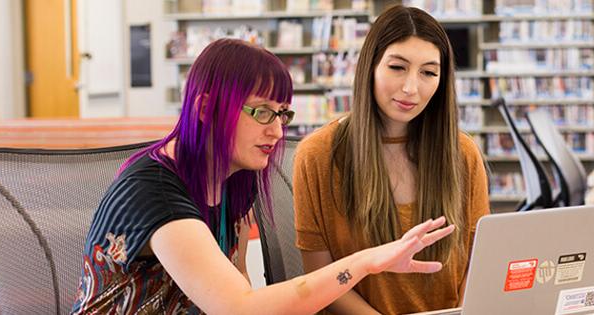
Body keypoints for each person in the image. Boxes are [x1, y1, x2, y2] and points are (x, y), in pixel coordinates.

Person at [70, 38, 455, 314]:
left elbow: (241, 286)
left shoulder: (235, 178)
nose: (276, 131)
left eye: (282, 113)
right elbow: (239, 307)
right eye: (261, 112)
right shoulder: (154, 191)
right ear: (206, 109)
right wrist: (367, 261)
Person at [293, 5, 491, 315]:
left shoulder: (462, 154)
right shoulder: (318, 155)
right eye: (397, 67)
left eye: (428, 72)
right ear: (370, 66)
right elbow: (322, 281)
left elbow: (479, 266)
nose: (411, 88)